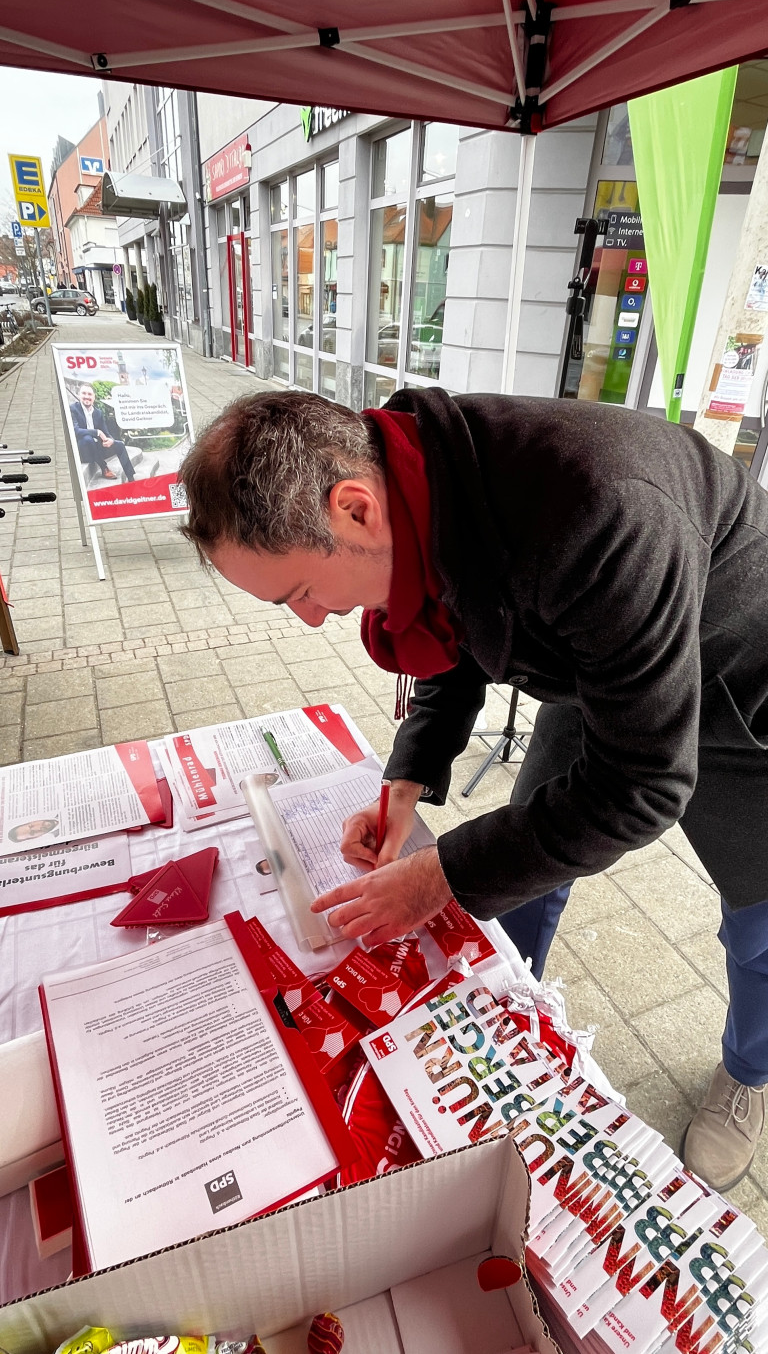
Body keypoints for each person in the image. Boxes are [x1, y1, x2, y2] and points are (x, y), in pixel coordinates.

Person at [178, 388, 768, 1194]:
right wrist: (404, 783)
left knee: (761, 922)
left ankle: (750, 1070)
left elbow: (643, 780)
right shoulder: (416, 473)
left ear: (353, 510)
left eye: (299, 594)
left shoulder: (599, 511)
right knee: (530, 841)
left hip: (744, 683)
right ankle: (500, 1003)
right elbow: (459, 627)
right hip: (603, 655)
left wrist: (438, 874)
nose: (313, 622)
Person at [69, 383, 136, 483]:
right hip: (84, 450)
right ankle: (104, 468)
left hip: (97, 449)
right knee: (87, 438)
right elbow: (75, 430)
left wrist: (110, 440)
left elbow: (105, 432)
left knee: (119, 444)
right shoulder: (73, 409)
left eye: (89, 394)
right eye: (84, 393)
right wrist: (97, 432)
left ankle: (131, 477)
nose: (87, 396)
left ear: (94, 397)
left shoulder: (98, 412)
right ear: (79, 395)